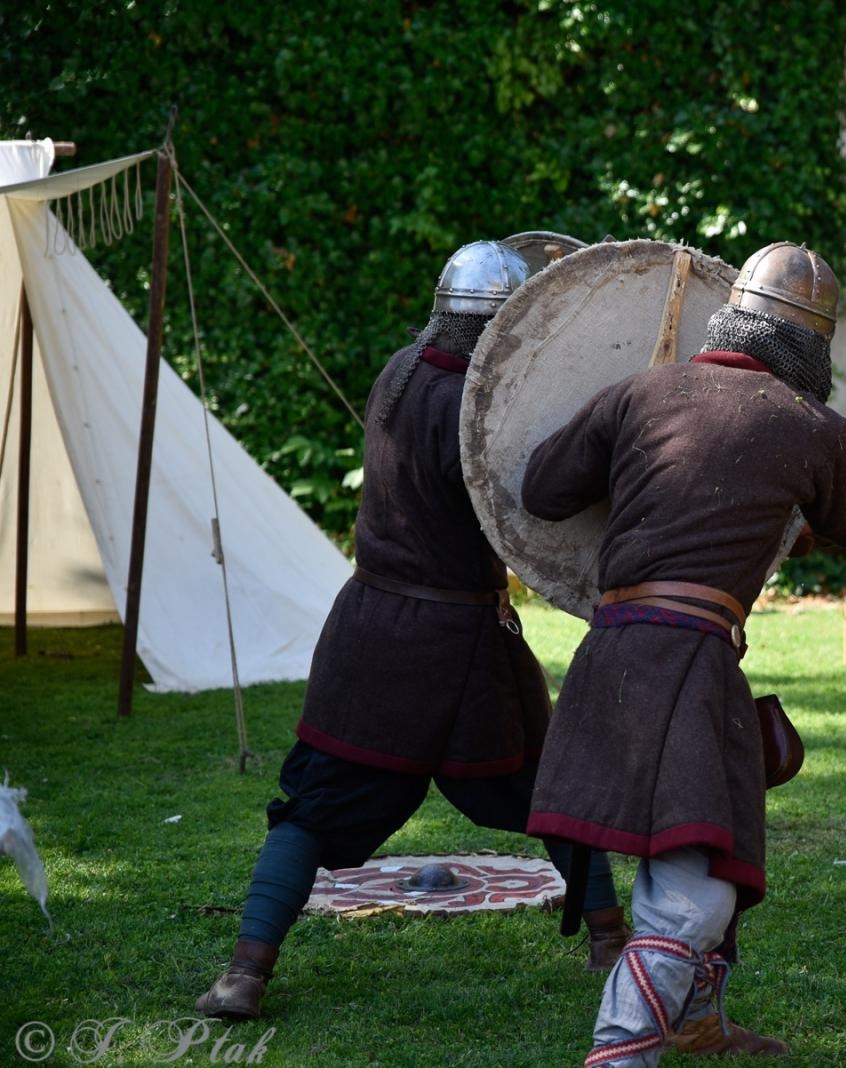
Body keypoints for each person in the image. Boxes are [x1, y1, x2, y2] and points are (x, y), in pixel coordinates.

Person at [519, 242, 846, 1065]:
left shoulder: (639, 391)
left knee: (714, 836)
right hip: (688, 666)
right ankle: (621, 1051)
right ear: (809, 344)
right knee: (697, 887)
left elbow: (541, 489)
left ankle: (701, 1022)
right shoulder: (808, 424)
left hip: (611, 652)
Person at [196, 241, 627, 1021]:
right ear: (503, 325)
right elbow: (540, 502)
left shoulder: (398, 370)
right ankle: (609, 939)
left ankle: (245, 972)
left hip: (368, 632)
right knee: (547, 783)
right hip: (460, 644)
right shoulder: (478, 412)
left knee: (314, 802)